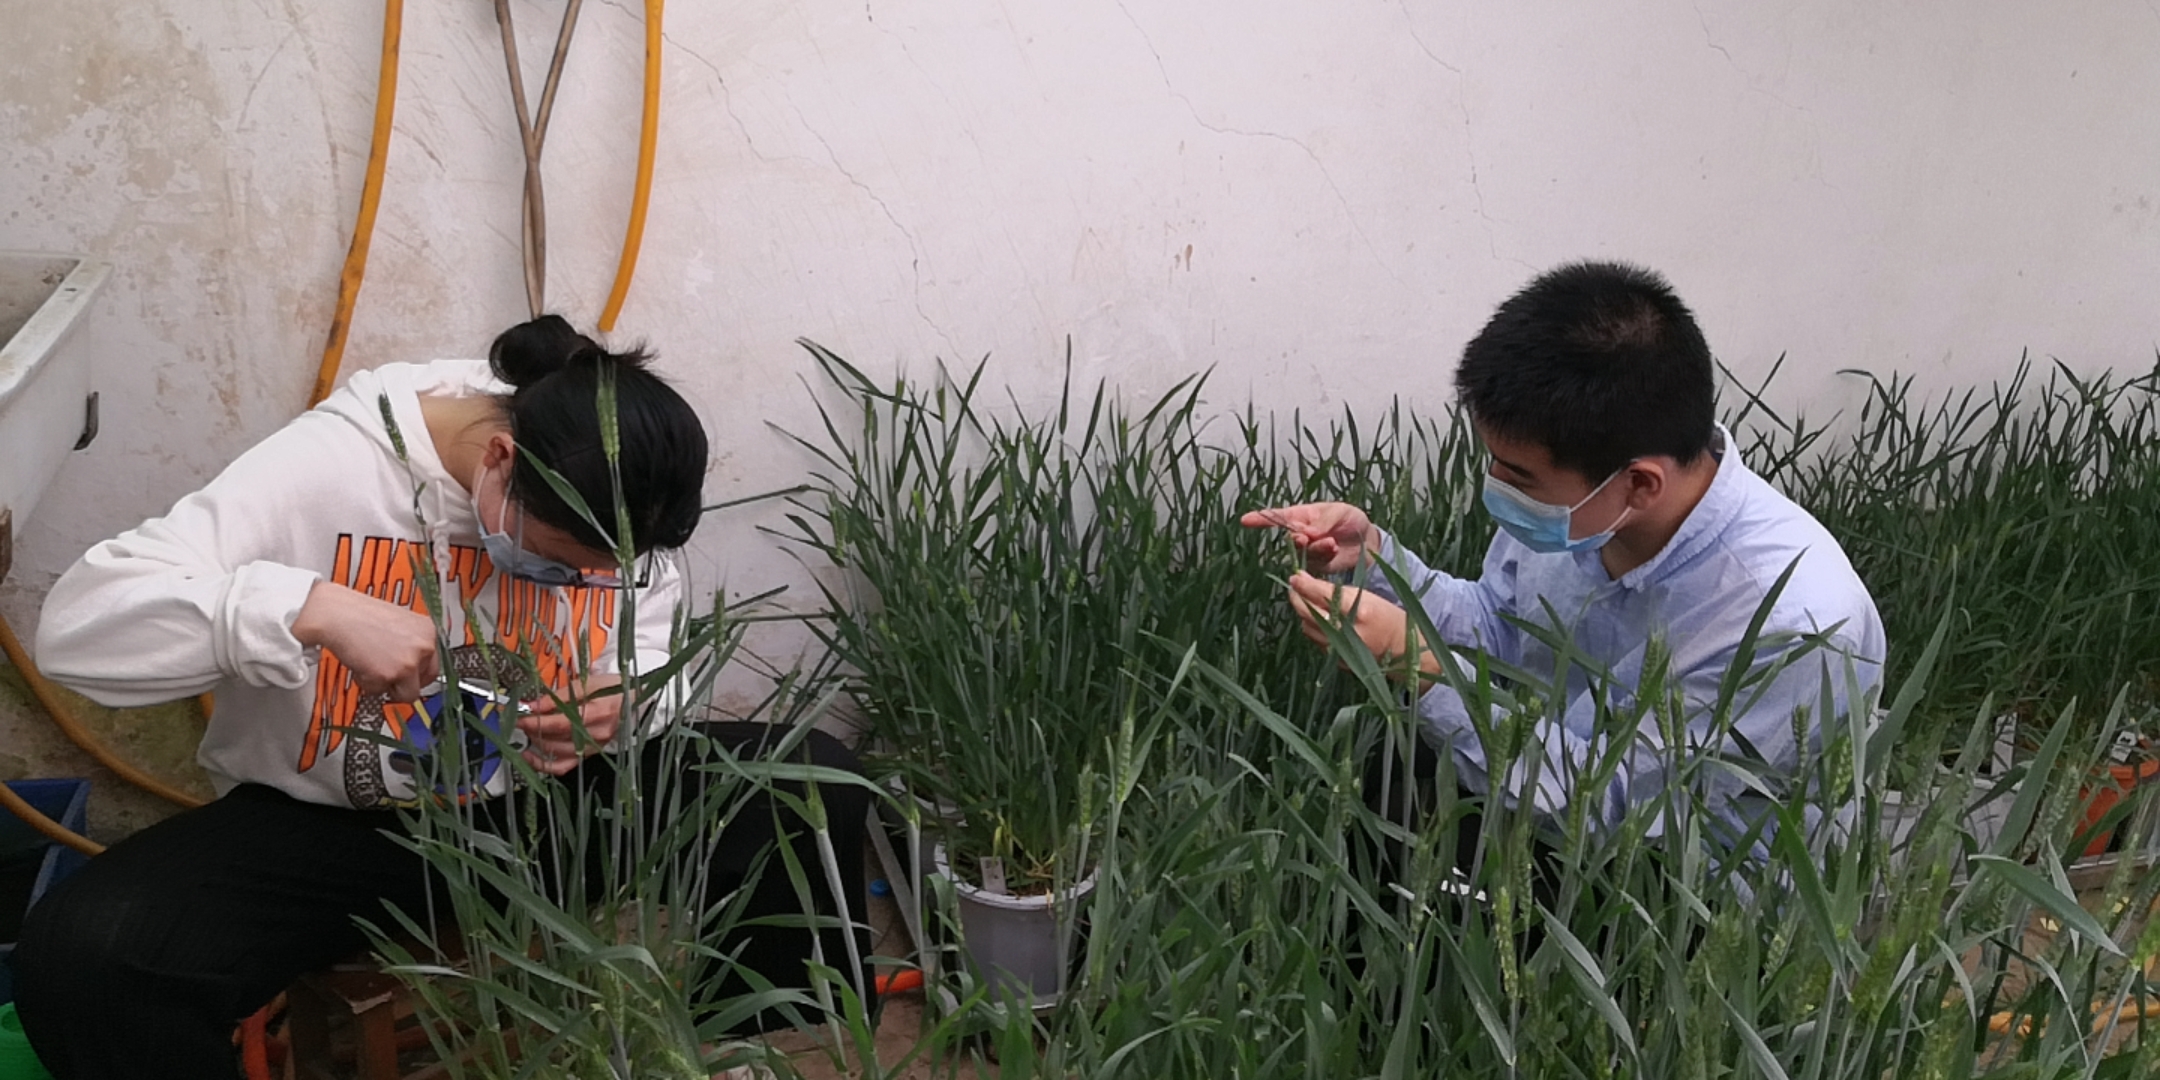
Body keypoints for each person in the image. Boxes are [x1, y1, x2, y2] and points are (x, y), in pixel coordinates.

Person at [10, 316, 869, 1079]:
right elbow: (80, 630)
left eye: (604, 573)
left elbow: (653, 650)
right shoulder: (334, 464)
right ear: (500, 461)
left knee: (807, 780)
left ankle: (754, 1054)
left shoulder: (614, 494)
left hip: (546, 808)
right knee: (90, 959)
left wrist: (630, 698)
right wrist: (310, 607)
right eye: (559, 564)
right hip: (338, 829)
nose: (579, 586)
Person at [1244, 261, 1886, 842]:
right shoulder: (1587, 511)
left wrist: (1422, 669)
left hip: (1676, 882)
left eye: (1519, 477)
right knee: (1387, 767)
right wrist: (1377, 565)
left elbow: (1618, 809)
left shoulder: (1790, 624)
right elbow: (1501, 629)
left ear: (1639, 484)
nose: (1496, 487)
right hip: (1543, 774)